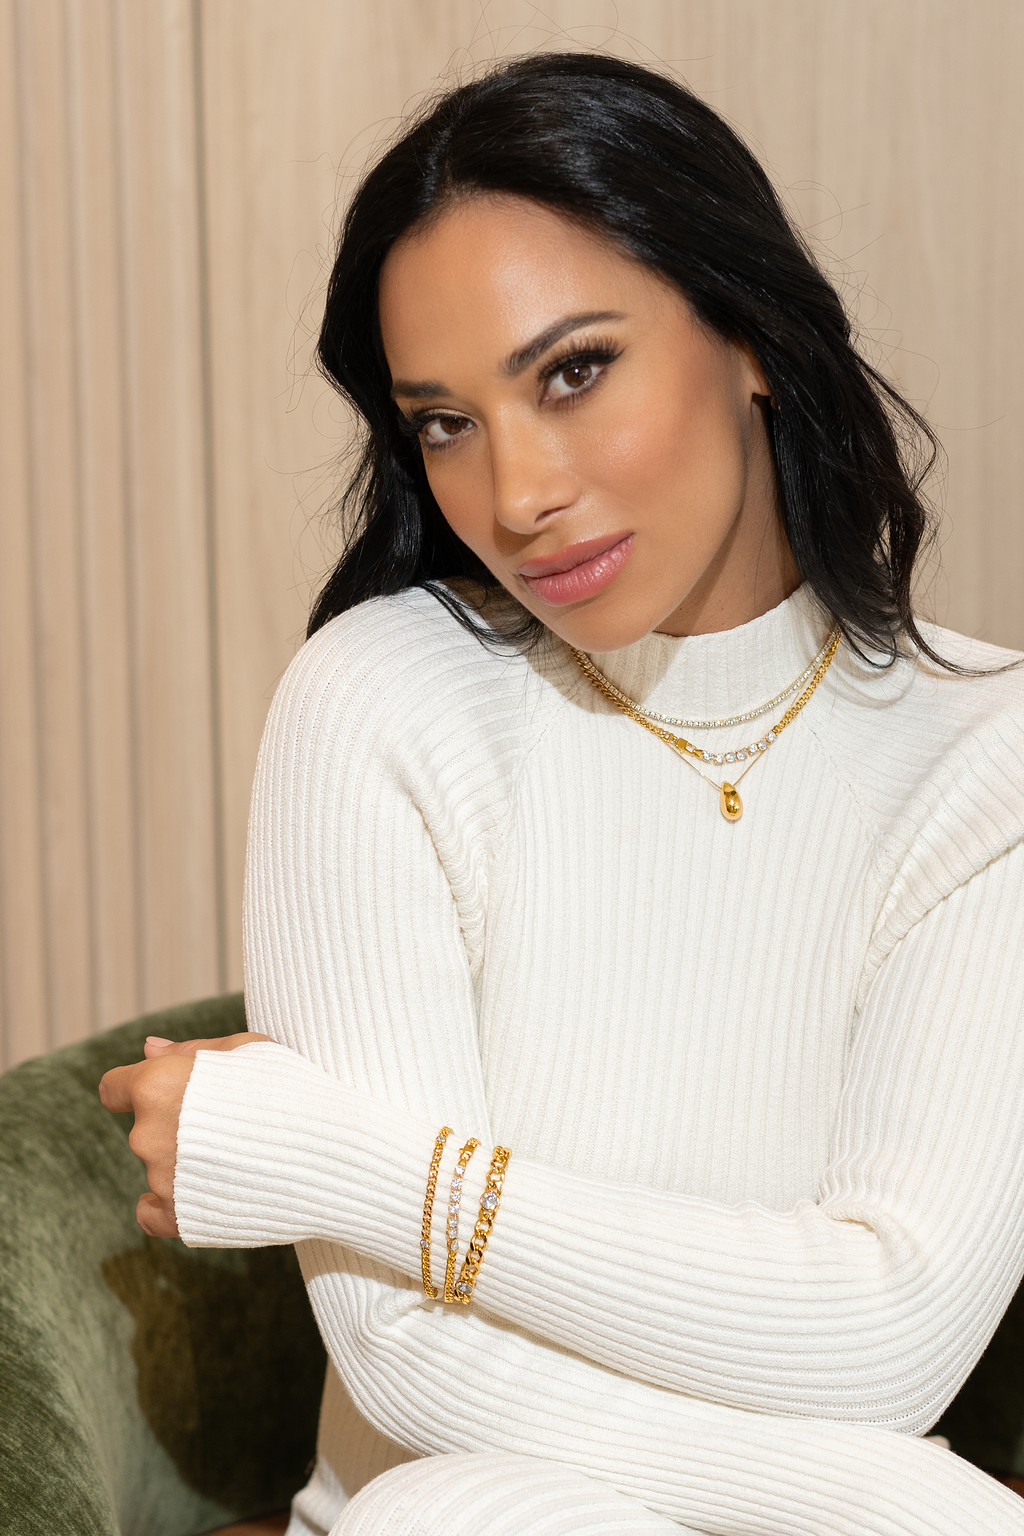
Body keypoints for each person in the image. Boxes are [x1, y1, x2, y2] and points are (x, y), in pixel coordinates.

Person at [100, 52, 1024, 1535]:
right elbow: (410, 1364)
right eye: (445, 423)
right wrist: (907, 1504)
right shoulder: (382, 701)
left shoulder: (987, 758)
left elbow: (886, 1343)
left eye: (574, 372)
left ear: (749, 333)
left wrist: (341, 1161)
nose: (517, 493)